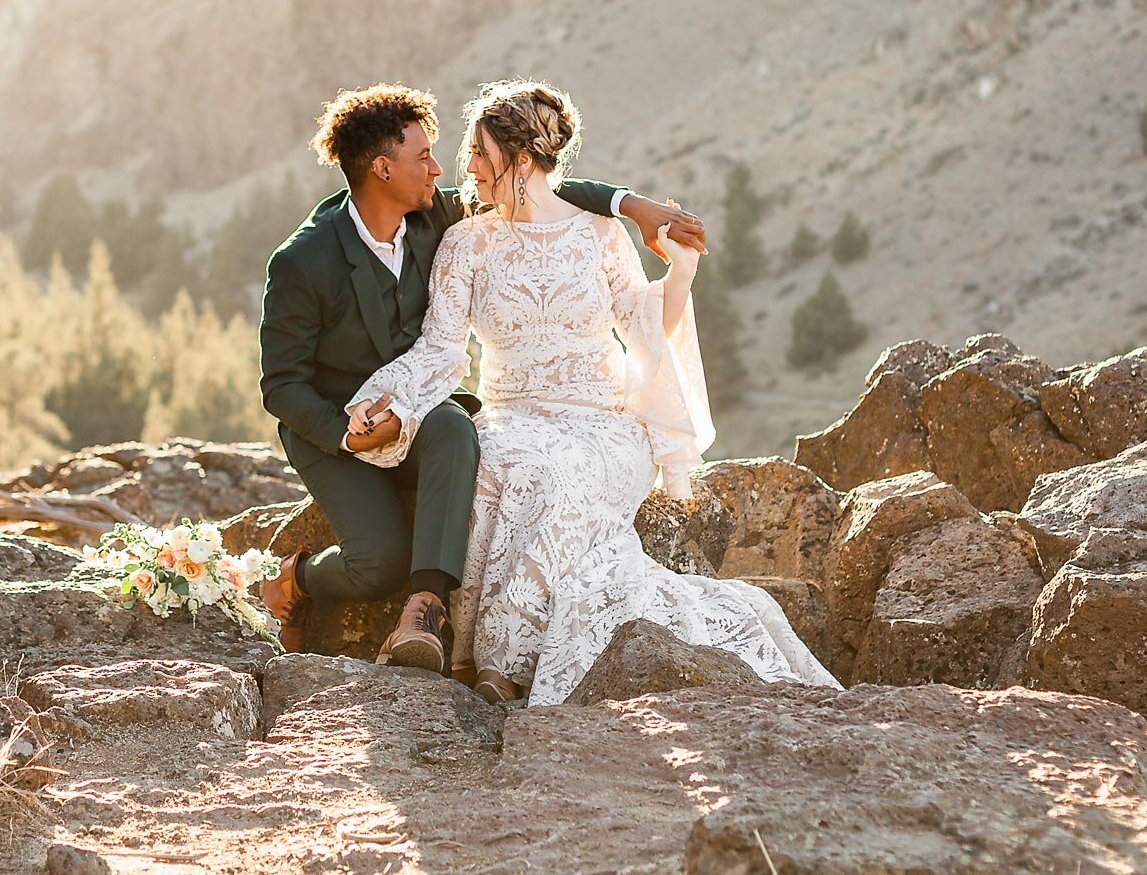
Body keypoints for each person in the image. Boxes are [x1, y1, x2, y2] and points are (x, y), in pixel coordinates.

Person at [343, 79, 841, 704]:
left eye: (480, 152)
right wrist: (391, 398)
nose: (466, 166)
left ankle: (506, 667)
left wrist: (678, 271)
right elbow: (443, 351)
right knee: (500, 465)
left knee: (562, 475)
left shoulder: (600, 236)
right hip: (511, 413)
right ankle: (470, 655)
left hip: (603, 424)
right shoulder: (466, 241)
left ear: (521, 161)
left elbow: (642, 326)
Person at [256, 83, 706, 670]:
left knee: (455, 429)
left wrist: (629, 204)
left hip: (424, 409)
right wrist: (346, 433)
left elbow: (539, 186)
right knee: (377, 565)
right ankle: (296, 581)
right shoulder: (303, 260)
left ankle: (425, 611)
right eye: (425, 158)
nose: (442, 170)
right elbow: (281, 384)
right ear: (383, 168)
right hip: (336, 426)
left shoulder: (434, 211)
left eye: (452, 155)